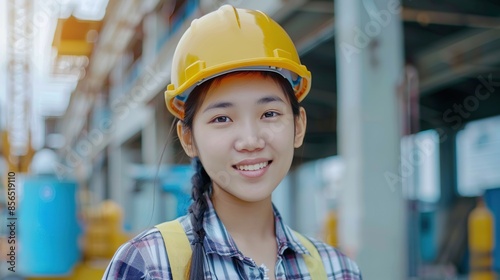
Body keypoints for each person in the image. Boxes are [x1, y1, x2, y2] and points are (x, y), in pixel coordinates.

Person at [104, 5, 362, 280]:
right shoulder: (148, 265)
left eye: (269, 114)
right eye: (222, 118)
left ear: (298, 127)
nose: (250, 141)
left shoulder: (338, 270)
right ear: (188, 139)